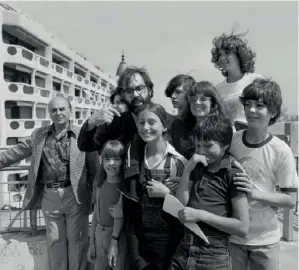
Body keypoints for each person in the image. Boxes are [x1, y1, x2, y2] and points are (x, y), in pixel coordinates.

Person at [0, 96, 98, 270]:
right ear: (50, 113)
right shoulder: (39, 135)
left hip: (75, 195)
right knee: (55, 240)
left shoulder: (81, 135)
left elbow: (94, 166)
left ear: (69, 111)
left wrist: (94, 194)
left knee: (77, 240)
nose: (58, 113)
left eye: (62, 109)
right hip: (50, 195)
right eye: (54, 110)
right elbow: (15, 152)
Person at [229, 78, 298, 270]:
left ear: (273, 112)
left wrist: (254, 193)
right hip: (234, 236)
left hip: (266, 240)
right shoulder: (232, 142)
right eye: (248, 104)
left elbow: (291, 200)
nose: (251, 110)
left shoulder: (281, 150)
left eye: (259, 106)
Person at [170, 114, 249, 270]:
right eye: (198, 145)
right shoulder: (196, 167)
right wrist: (188, 169)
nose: (201, 151)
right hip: (185, 248)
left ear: (226, 145)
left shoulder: (233, 175)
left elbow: (242, 228)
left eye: (208, 146)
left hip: (213, 255)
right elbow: (181, 202)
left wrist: (201, 215)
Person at [126, 102, 187, 270]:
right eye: (141, 122)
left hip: (168, 241)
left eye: (152, 122)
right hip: (139, 238)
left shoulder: (178, 162)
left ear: (164, 126)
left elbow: (189, 207)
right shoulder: (134, 158)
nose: (146, 127)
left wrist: (168, 194)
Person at [211, 31, 264, 130]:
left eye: (227, 53)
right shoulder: (217, 89)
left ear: (239, 54)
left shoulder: (256, 80)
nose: (222, 58)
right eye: (219, 55)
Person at [87, 140, 127, 270]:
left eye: (116, 159)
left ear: (123, 161)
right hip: (99, 234)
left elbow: (119, 216)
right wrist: (92, 242)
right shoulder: (98, 184)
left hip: (118, 238)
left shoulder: (124, 187)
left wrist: (113, 242)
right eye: (107, 159)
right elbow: (96, 214)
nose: (111, 163)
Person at [168, 81, 227, 159]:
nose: (197, 102)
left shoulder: (224, 127)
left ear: (213, 104)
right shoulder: (177, 126)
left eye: (203, 99)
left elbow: (227, 155)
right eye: (193, 99)